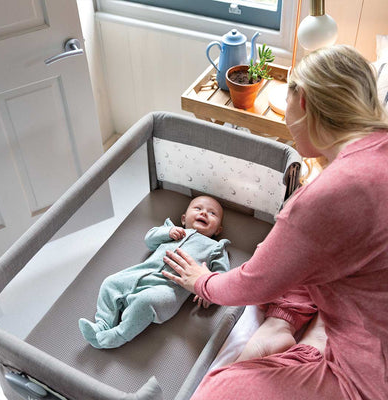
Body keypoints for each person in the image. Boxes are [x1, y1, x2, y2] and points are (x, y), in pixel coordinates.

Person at [162, 45, 388, 400]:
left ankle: (311, 338)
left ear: (303, 102)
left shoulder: (326, 197)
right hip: (367, 314)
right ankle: (285, 323)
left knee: (214, 392)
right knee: (294, 261)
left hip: (369, 377)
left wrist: (202, 281)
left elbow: (253, 282)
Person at [79, 195, 230, 349]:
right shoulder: (173, 231)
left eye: (212, 213)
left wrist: (208, 289)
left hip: (168, 289)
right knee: (110, 283)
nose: (204, 213)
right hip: (140, 273)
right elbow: (149, 240)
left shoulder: (215, 248)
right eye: (198, 208)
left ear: (218, 230)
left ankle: (117, 335)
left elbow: (223, 278)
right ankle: (102, 324)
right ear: (184, 219)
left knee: (145, 302)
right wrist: (168, 232)